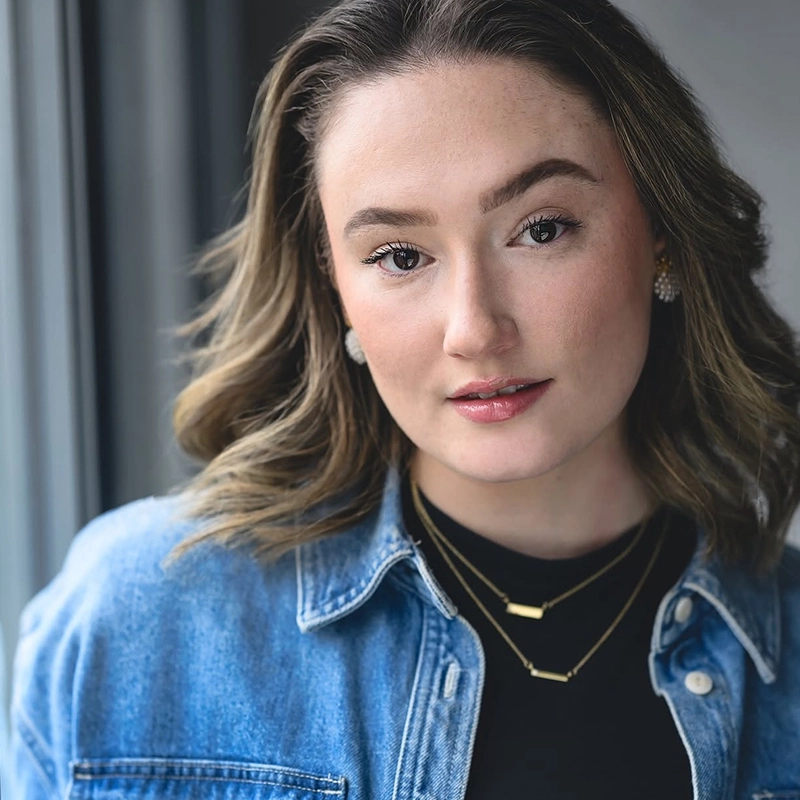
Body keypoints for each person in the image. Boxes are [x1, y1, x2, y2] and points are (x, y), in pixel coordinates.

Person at [8, 0, 800, 797]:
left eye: (541, 229)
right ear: (334, 287)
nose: (475, 329)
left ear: (659, 230)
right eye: (399, 255)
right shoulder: (139, 628)